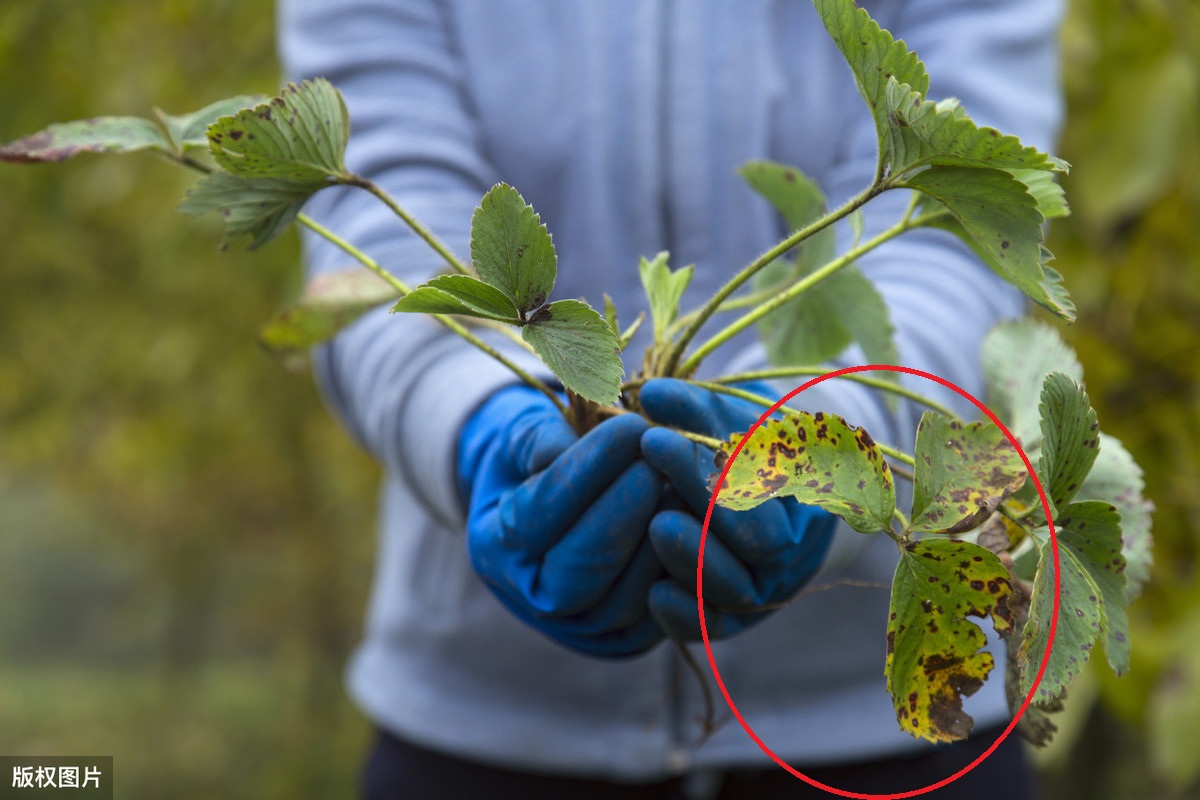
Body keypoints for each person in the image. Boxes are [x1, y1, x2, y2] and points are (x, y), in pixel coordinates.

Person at [277, 1, 1062, 797]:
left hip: (902, 726)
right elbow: (377, 220)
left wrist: (820, 447)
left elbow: (963, 233)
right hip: (481, 730)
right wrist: (472, 427)